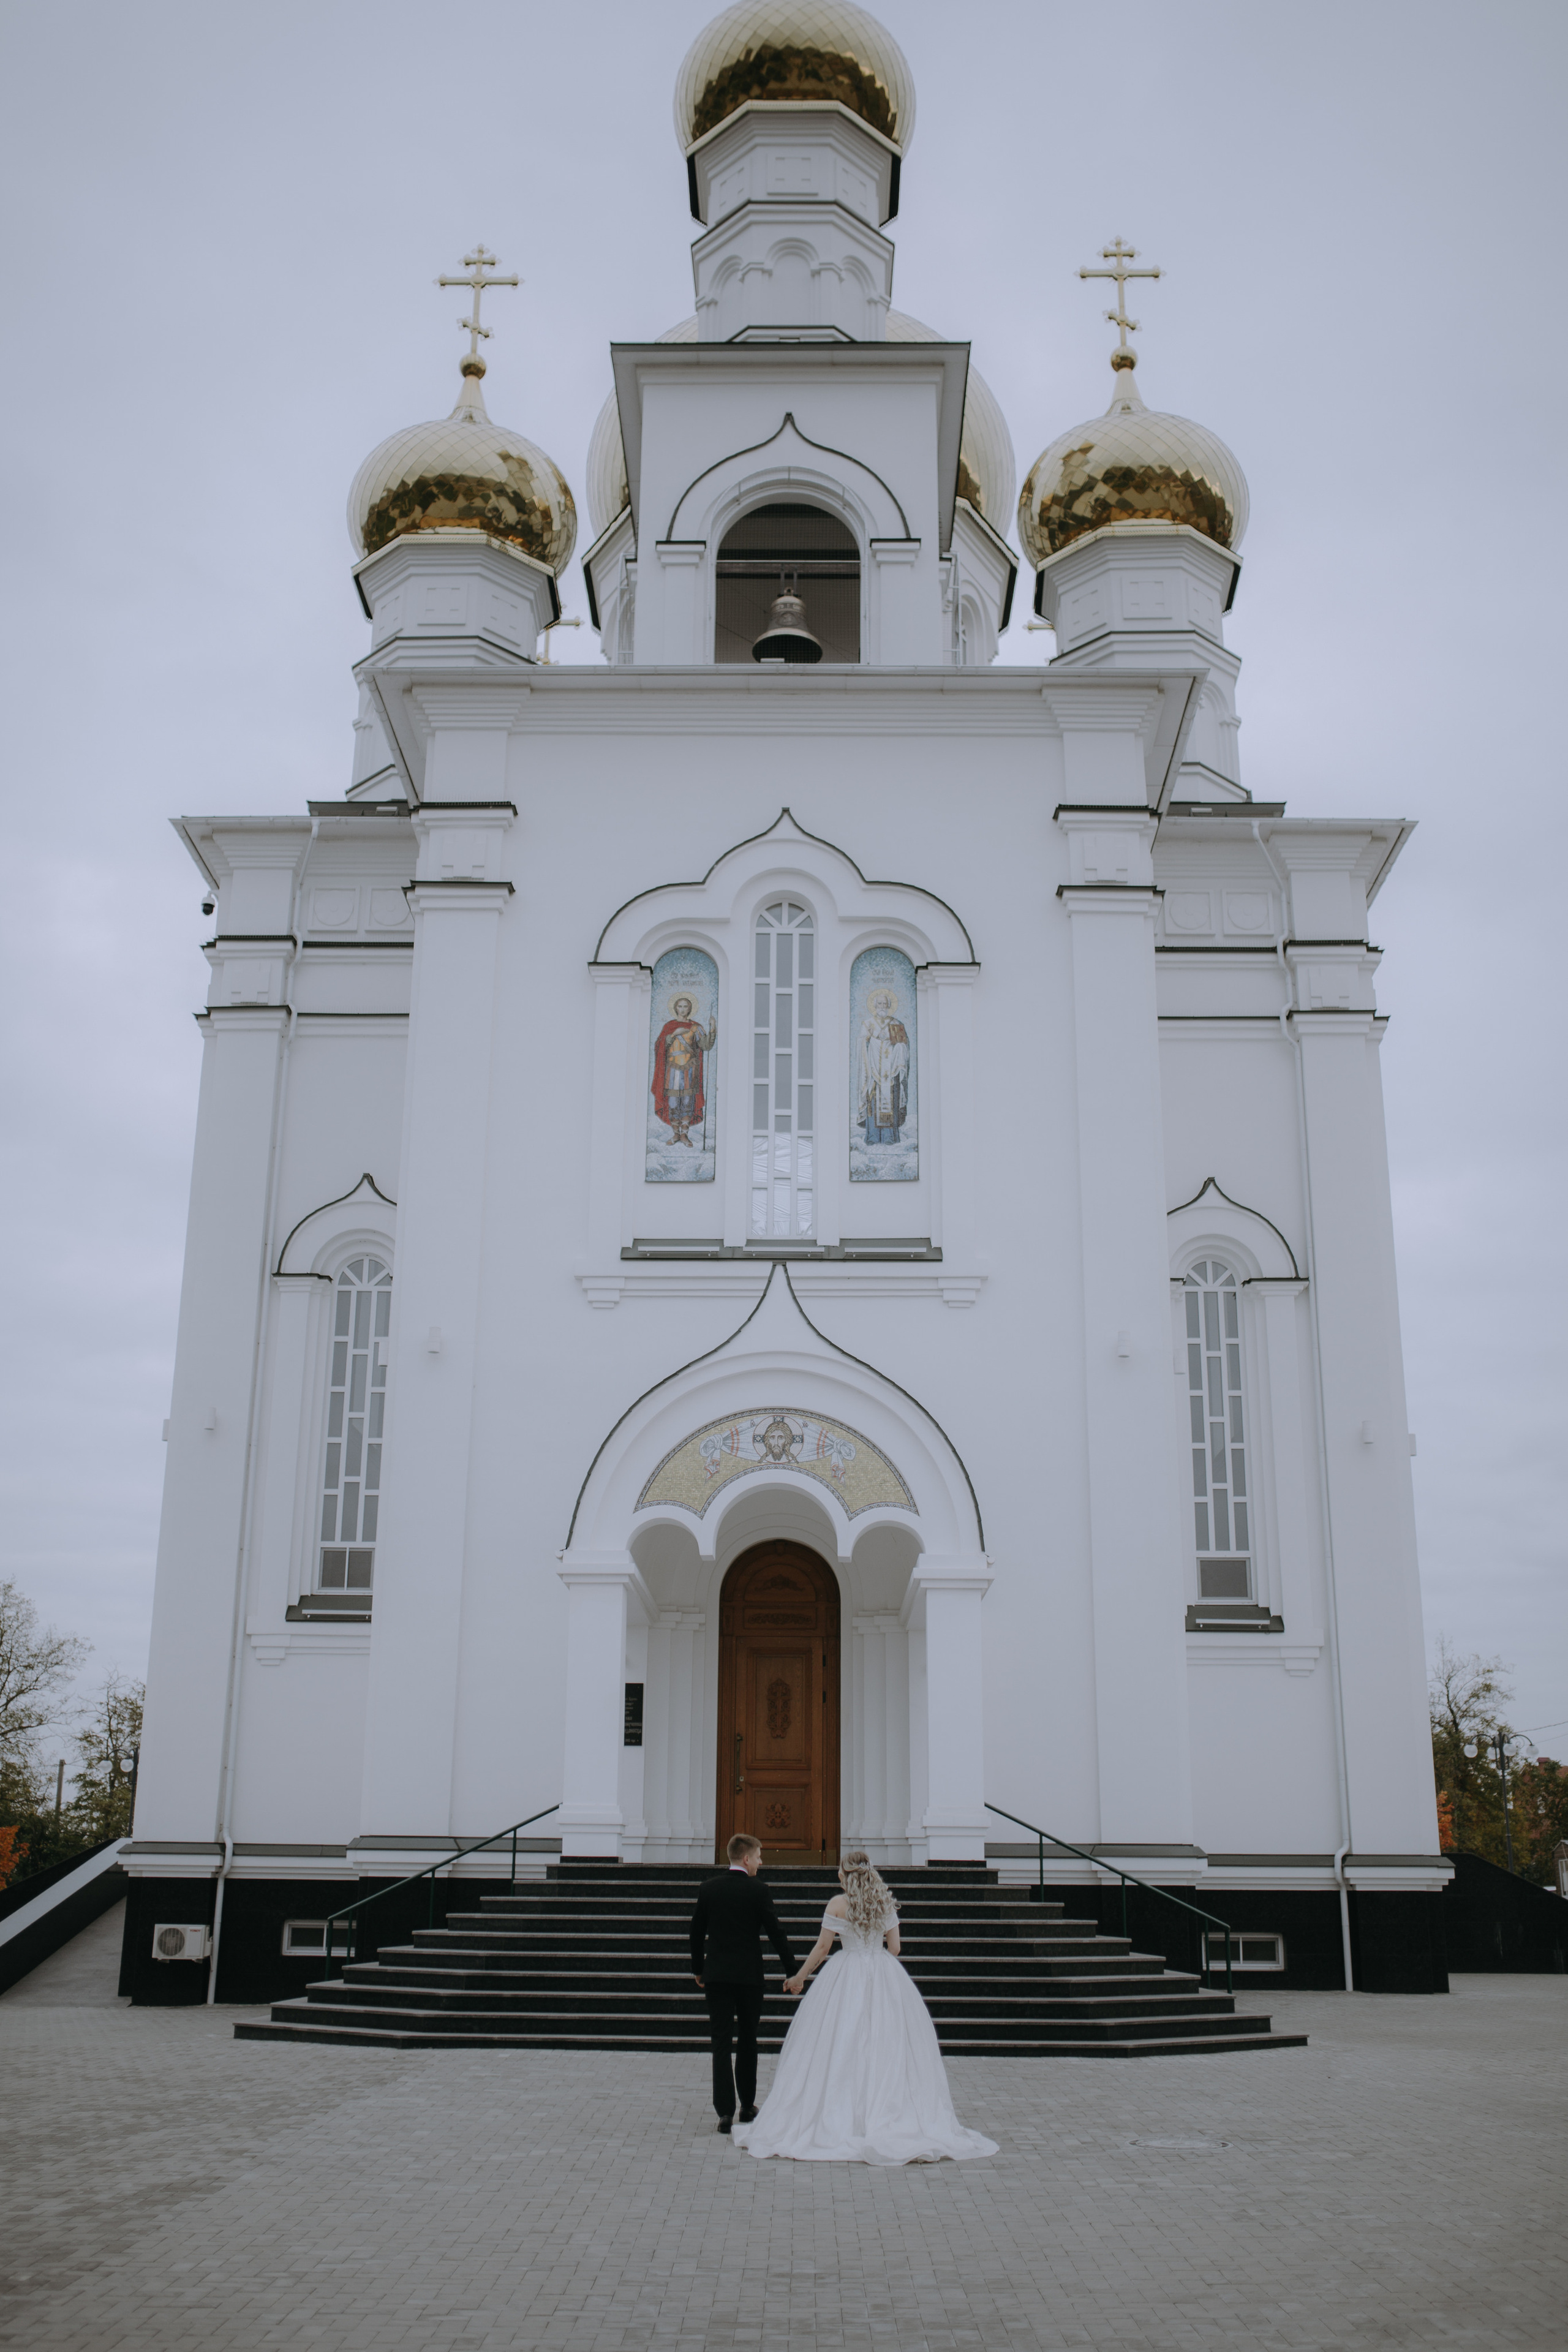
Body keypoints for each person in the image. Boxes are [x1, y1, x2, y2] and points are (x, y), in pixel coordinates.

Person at [733, 1850, 997, 2165]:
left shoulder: (837, 1904)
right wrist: (879, 1966)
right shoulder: (884, 1901)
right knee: (886, 2045)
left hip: (846, 1971)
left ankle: (838, 2114)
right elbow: (896, 1947)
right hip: (883, 1973)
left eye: (840, 1872)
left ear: (846, 1874)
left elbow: (823, 1947)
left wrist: (800, 1977)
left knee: (841, 2041)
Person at [688, 1833, 799, 2135]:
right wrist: (793, 1971)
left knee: (721, 2041)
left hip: (718, 1976)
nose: (761, 1862)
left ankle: (724, 2112)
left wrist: (699, 1969)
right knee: (749, 2040)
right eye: (760, 1856)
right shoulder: (758, 1890)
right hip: (750, 1978)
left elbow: (696, 1933)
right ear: (747, 1858)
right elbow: (776, 1933)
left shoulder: (708, 1889)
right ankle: (747, 2106)